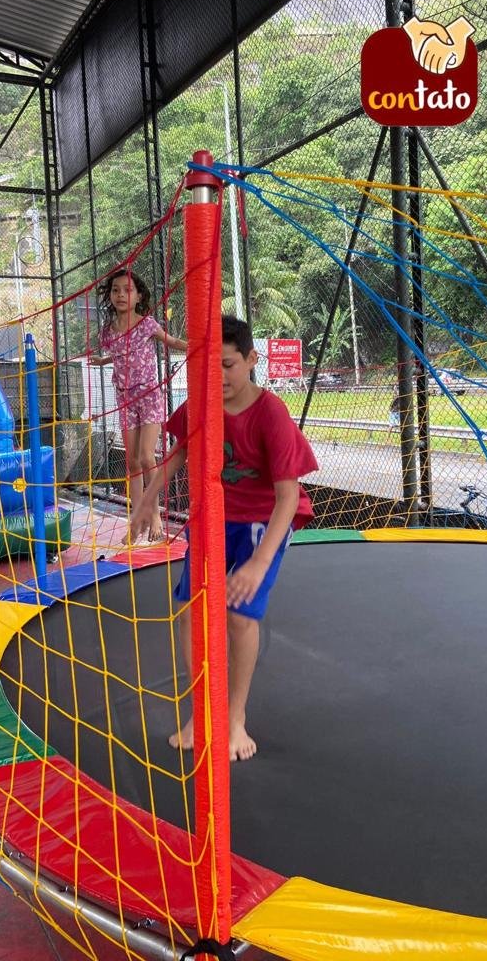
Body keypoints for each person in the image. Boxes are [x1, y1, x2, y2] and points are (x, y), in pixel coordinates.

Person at [130, 315, 318, 762]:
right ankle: (203, 710)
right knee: (190, 611)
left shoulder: (270, 413)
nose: (219, 377)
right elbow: (179, 453)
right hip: (214, 517)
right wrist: (147, 502)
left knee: (238, 616)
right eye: (208, 368)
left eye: (228, 365)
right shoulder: (202, 403)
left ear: (251, 360)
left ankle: (234, 717)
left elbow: (288, 497)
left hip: (262, 520)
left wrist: (258, 563)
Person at [89, 267, 186, 543]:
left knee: (146, 456)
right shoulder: (108, 332)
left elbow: (171, 341)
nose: (121, 295)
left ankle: (155, 516)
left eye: (127, 290)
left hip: (149, 395)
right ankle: (135, 521)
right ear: (110, 296)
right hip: (125, 399)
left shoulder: (147, 324)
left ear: (138, 296)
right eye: (115, 290)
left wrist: (196, 345)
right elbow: (121, 352)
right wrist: (103, 360)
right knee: (132, 463)